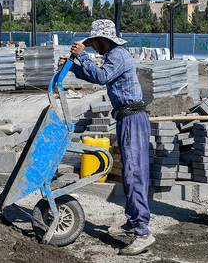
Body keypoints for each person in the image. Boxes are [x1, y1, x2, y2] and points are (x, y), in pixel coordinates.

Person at [58, 19, 153, 256]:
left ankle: (143, 233)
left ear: (103, 40)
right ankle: (134, 223)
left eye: (94, 43)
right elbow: (98, 76)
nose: (93, 47)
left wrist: (82, 57)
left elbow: (101, 77)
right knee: (130, 174)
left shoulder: (118, 55)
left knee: (134, 174)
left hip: (132, 118)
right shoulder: (114, 56)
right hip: (126, 118)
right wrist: (73, 67)